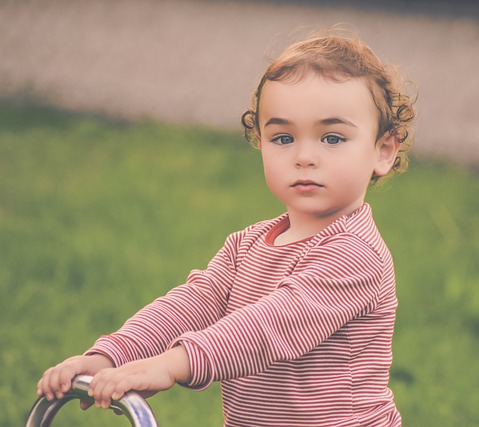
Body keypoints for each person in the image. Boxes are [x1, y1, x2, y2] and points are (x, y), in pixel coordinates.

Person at [36, 30, 415, 426]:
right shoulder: (247, 245)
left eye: (332, 138)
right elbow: (191, 305)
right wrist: (111, 356)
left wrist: (174, 364)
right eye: (283, 137)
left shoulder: (356, 254)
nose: (304, 156)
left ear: (383, 151)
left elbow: (271, 326)